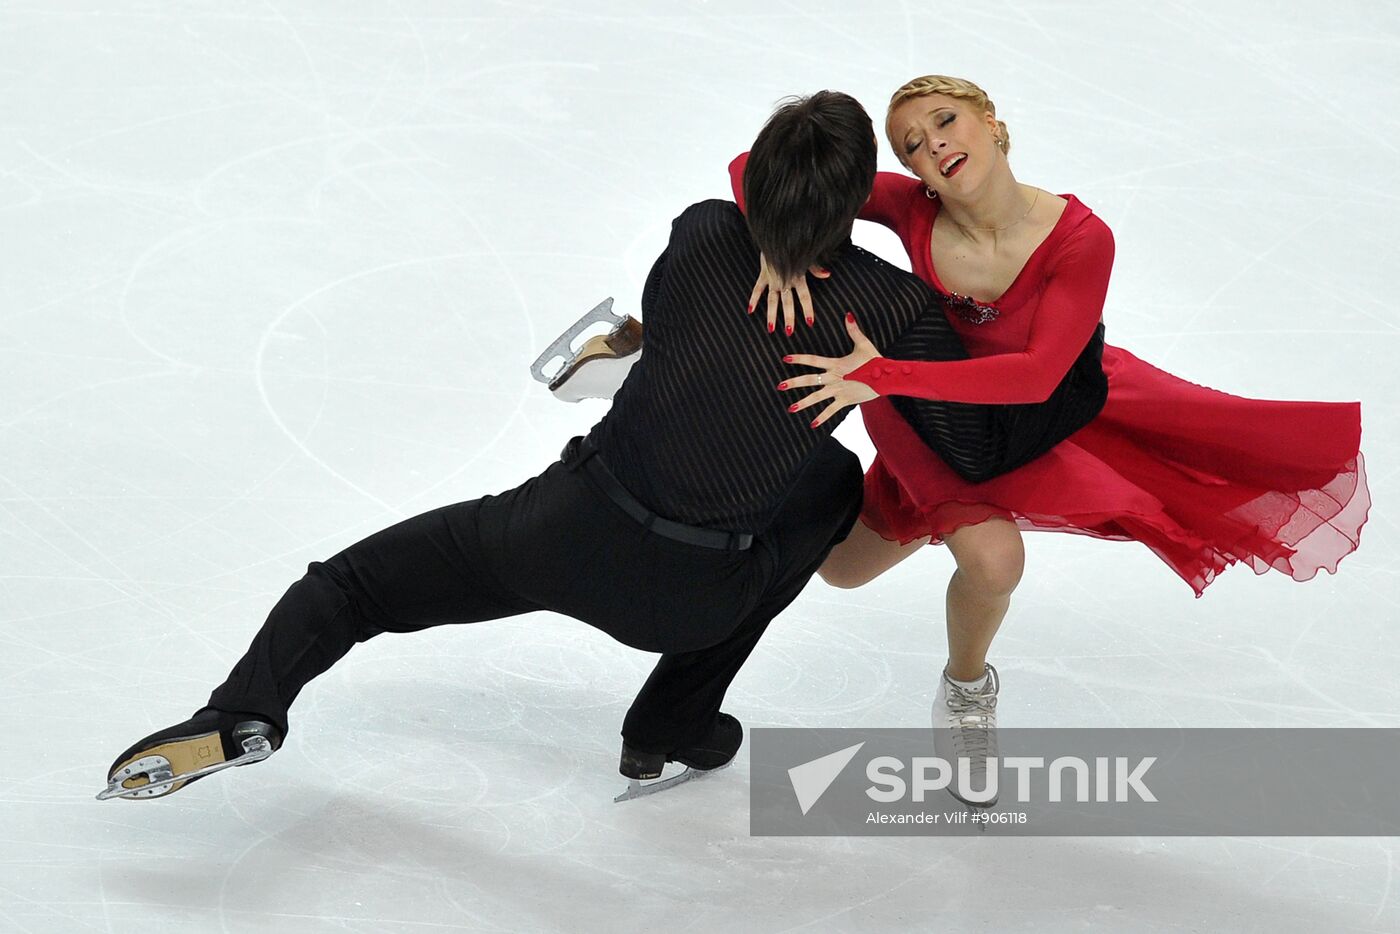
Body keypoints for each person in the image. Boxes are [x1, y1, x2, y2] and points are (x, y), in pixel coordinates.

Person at [100, 91, 1095, 804]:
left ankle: (239, 713)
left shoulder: (702, 233)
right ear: (860, 203)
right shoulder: (891, 306)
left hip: (560, 528)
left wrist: (769, 250)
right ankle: (668, 724)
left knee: (348, 589)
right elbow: (968, 454)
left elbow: (738, 204)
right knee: (828, 485)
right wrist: (1048, 371)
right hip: (692, 597)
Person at [729, 75, 1369, 805]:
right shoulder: (912, 208)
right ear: (912, 173)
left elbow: (1035, 377)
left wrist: (887, 371)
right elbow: (752, 171)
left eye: (945, 120)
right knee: (841, 572)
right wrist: (780, 250)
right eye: (913, 144)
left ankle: (966, 694)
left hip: (1035, 412)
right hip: (923, 414)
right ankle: (685, 399)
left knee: (997, 562)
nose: (934, 143)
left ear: (992, 124)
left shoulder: (1081, 238)